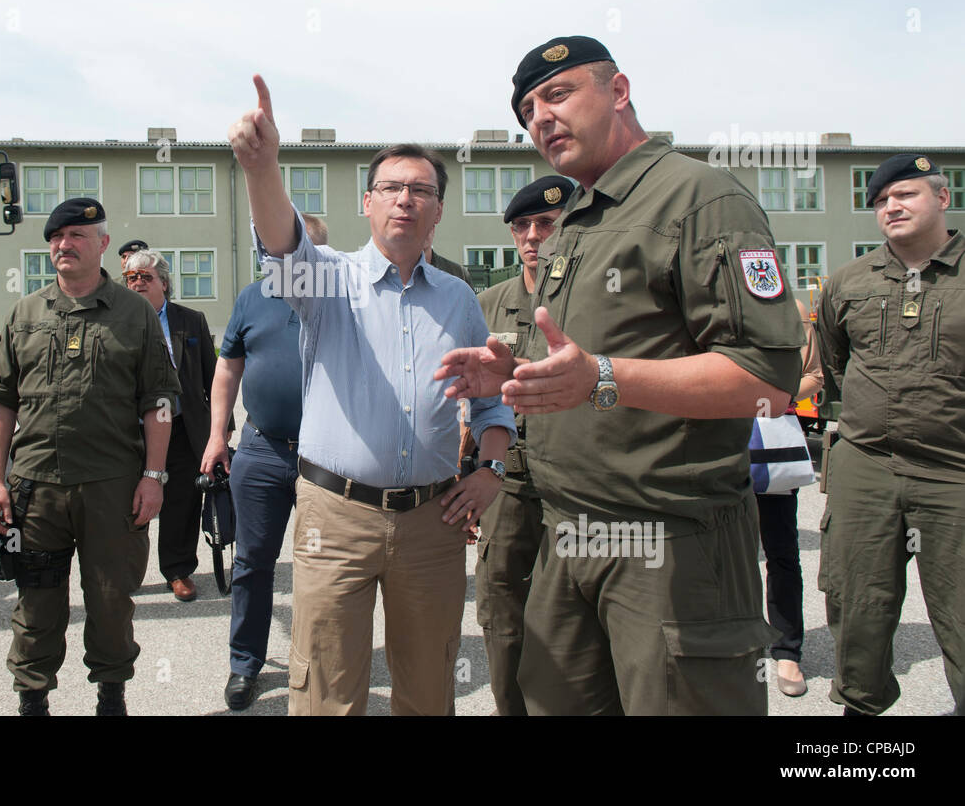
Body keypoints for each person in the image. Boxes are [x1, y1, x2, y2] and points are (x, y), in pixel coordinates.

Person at [436, 35, 804, 715]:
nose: (540, 118)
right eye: (526, 111)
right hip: (567, 531)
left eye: (557, 94)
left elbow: (767, 381)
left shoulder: (699, 198)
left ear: (619, 90)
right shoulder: (575, 218)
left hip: (669, 540)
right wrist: (514, 375)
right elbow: (587, 362)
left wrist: (603, 376)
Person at [229, 76, 516, 716]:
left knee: (427, 687)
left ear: (439, 209)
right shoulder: (329, 279)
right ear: (367, 202)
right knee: (327, 689)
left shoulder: (460, 300)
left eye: (422, 191)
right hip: (336, 518)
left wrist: (493, 469)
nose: (406, 201)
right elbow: (281, 245)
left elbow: (493, 404)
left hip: (434, 523)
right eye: (392, 188)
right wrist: (262, 168)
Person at [0, 198, 179, 716]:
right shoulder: (25, 315)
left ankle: (110, 695)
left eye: (77, 236)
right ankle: (33, 699)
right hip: (36, 490)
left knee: (111, 601)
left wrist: (153, 476)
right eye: (57, 238)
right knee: (36, 604)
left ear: (103, 245)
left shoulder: (134, 314)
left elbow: (159, 399)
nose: (64, 246)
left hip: (112, 489)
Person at [815, 153, 964, 717]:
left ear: (942, 198)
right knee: (856, 605)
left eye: (906, 195)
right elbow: (832, 368)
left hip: (955, 470)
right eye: (879, 201)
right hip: (865, 465)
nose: (891, 207)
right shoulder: (848, 282)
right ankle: (861, 722)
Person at [200, 213, 329, 711]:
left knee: (325, 566)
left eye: (293, 253)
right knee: (252, 562)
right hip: (261, 450)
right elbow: (228, 367)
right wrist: (217, 435)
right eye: (272, 254)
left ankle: (316, 660)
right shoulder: (251, 299)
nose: (279, 261)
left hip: (327, 458)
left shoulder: (339, 299)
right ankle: (244, 664)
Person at [472, 174, 573, 715]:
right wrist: (461, 479)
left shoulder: (590, 302)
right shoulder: (487, 304)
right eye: (521, 227)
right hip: (507, 481)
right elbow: (462, 402)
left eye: (545, 224)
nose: (532, 236)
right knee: (501, 606)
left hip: (576, 484)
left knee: (572, 614)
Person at [123, 248, 221, 603]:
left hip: (182, 427)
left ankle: (178, 570)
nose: (136, 284)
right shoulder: (117, 320)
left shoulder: (190, 321)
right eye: (131, 278)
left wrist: (220, 432)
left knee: (181, 502)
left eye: (145, 278)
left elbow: (213, 377)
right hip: (130, 430)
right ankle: (127, 572)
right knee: (129, 501)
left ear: (164, 283)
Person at [759, 298, 824, 698]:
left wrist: (773, 399)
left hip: (772, 443)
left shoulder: (791, 308)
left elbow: (814, 374)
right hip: (714, 442)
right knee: (716, 549)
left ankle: (787, 650)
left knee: (781, 551)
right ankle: (730, 642)